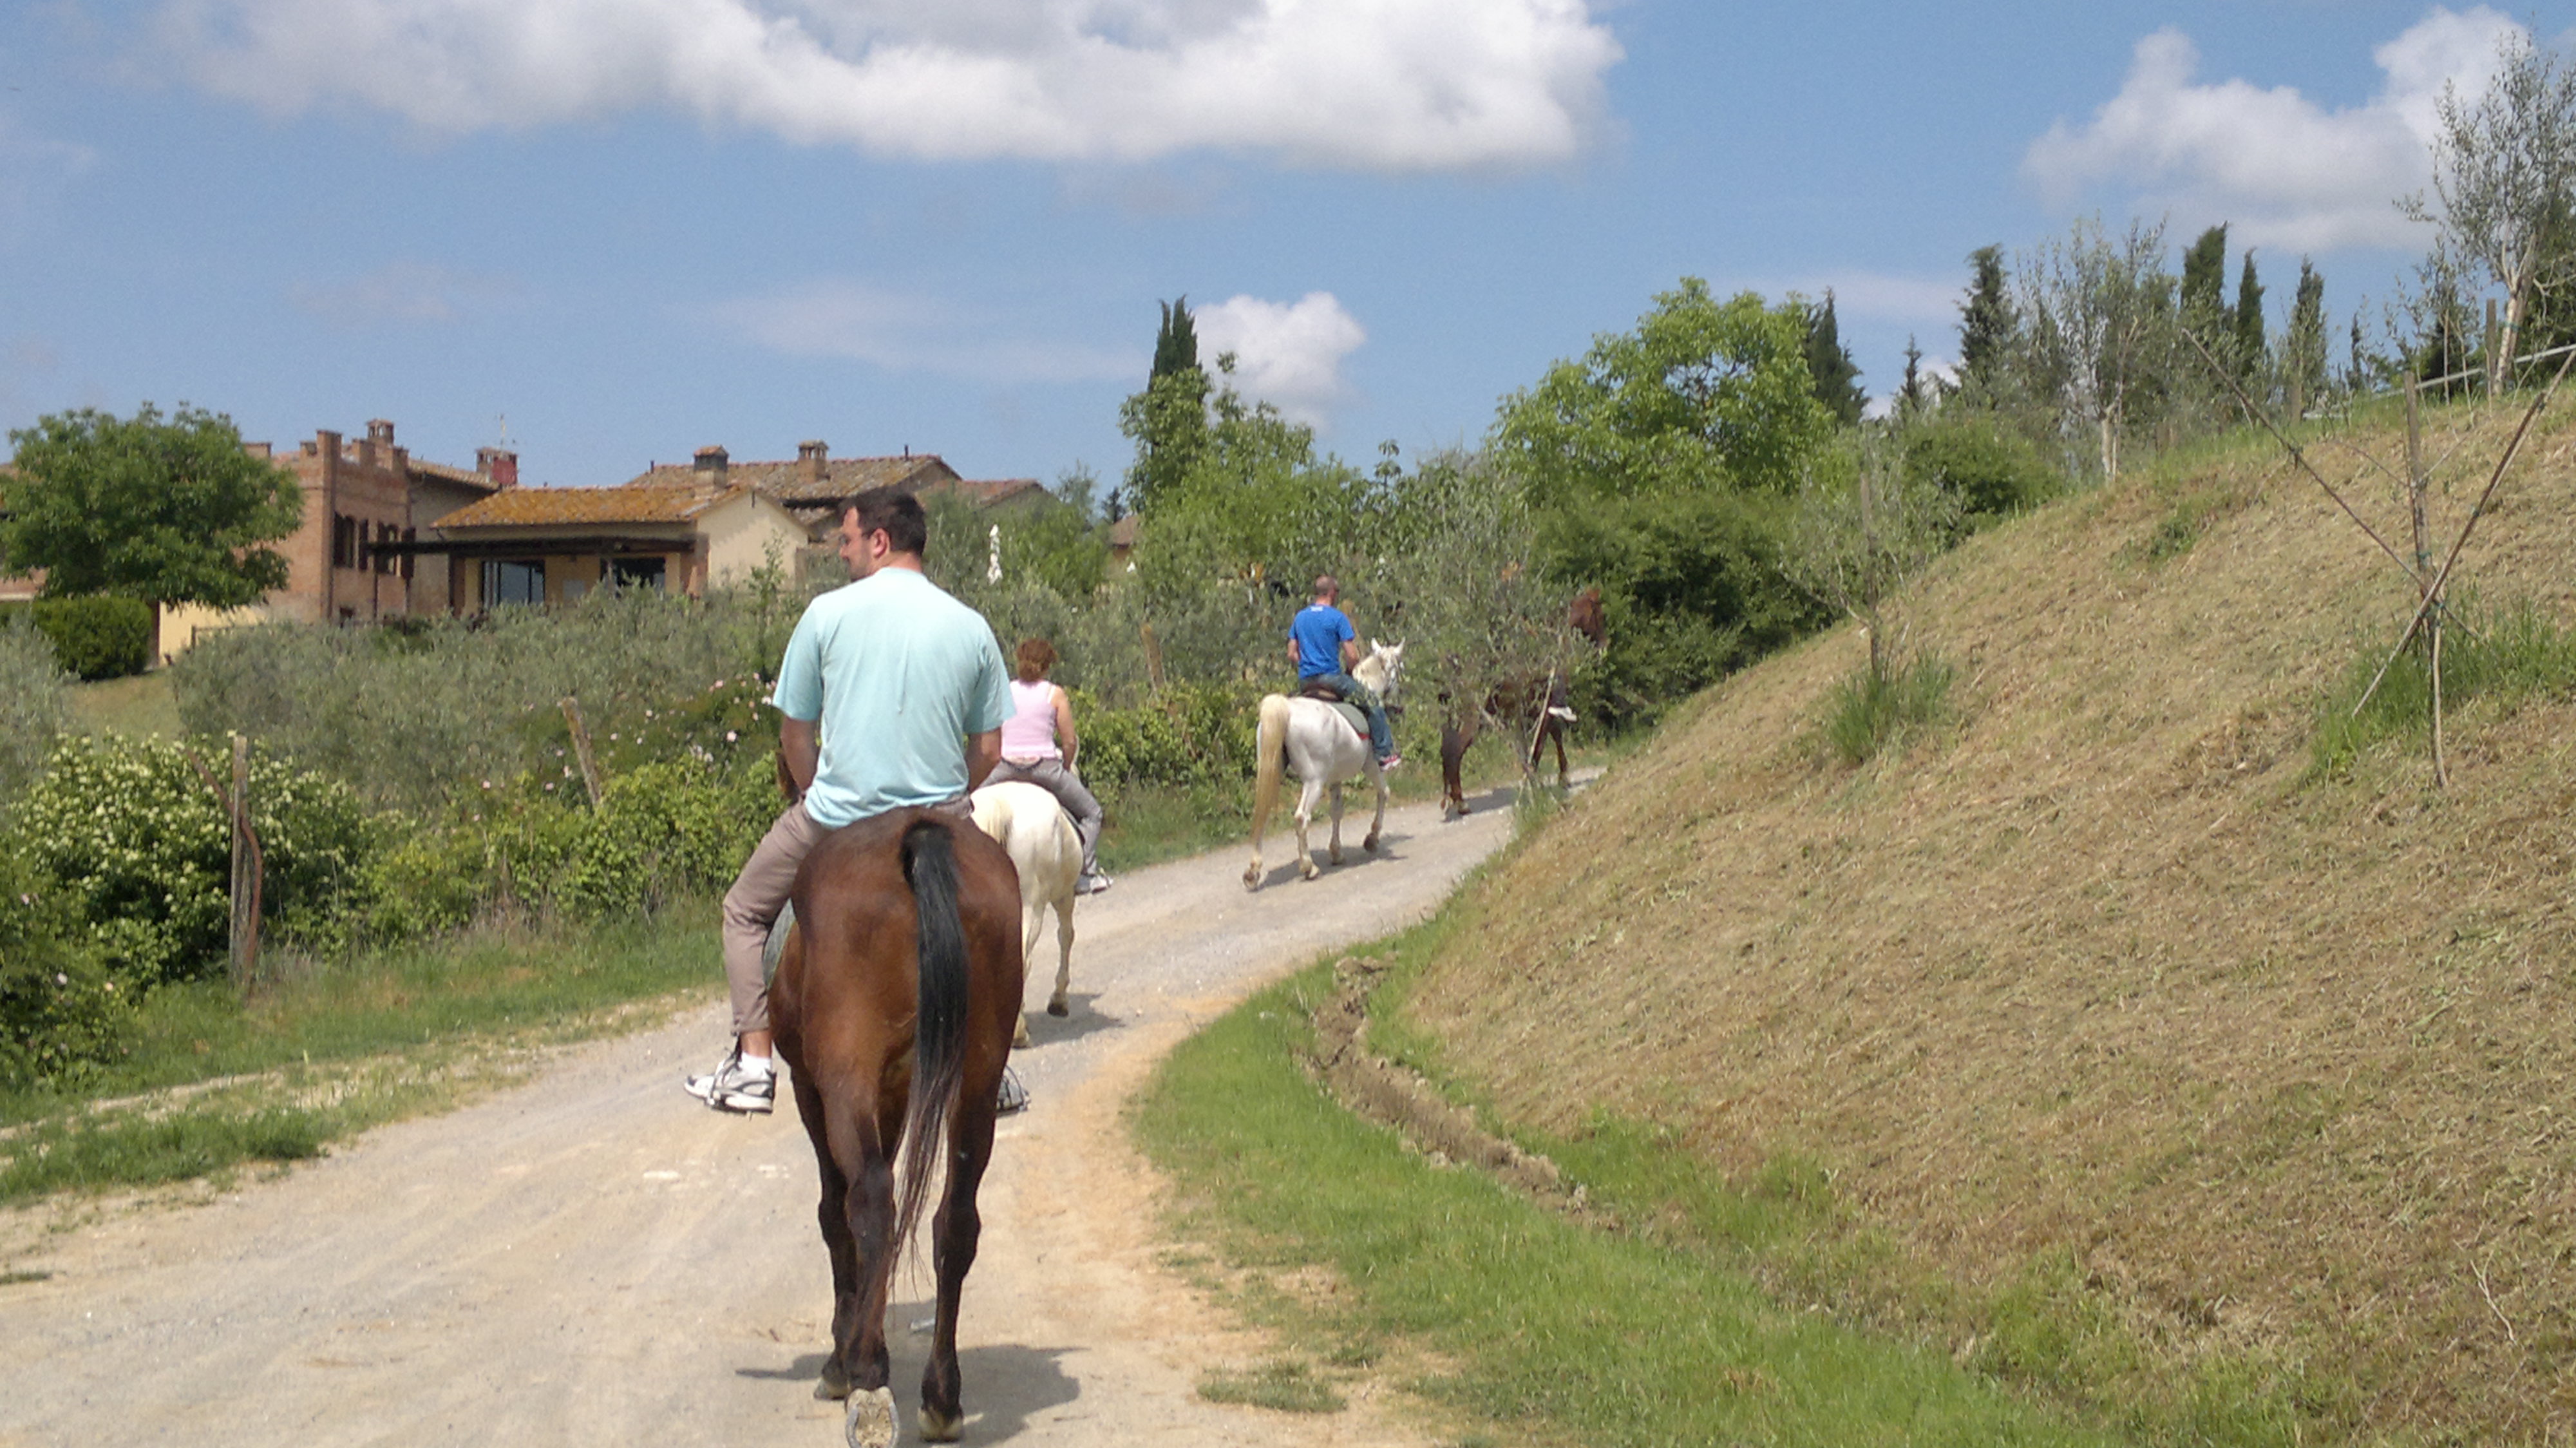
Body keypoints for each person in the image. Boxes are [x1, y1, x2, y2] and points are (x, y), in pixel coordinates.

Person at [684, 487, 1013, 1115]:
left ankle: (753, 1061)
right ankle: (992, 1069)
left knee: (745, 912)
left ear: (879, 541)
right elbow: (991, 748)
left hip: (839, 816)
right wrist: (947, 798)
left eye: (846, 539)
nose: (841, 553)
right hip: (942, 817)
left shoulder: (825, 615)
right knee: (996, 915)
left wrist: (816, 794)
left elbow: (794, 733)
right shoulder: (971, 625)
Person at [984, 638, 1113, 895]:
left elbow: (993, 733)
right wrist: (1064, 767)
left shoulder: (1004, 692)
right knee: (1092, 813)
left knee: (966, 807)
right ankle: (1084, 875)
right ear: (1047, 666)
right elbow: (1069, 741)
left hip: (1006, 767)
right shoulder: (1055, 694)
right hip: (1044, 767)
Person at [1289, 573, 1399, 768]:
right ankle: (1384, 754)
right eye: (1337, 591)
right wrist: (1349, 672)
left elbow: (1292, 654)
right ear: (1331, 592)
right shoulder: (1337, 617)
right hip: (1331, 679)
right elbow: (1353, 656)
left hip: (1306, 681)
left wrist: (1305, 665)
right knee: (1373, 703)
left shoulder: (1300, 617)